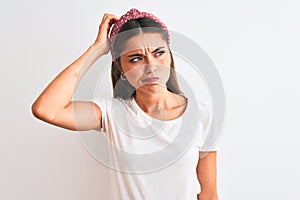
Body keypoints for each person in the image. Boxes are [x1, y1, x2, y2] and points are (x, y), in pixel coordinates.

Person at [32, 8, 219, 200]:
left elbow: (209, 194)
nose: (151, 66)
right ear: (120, 66)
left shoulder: (202, 114)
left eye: (159, 53)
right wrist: (96, 50)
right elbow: (46, 109)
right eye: (136, 58)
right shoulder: (112, 115)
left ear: (169, 55)